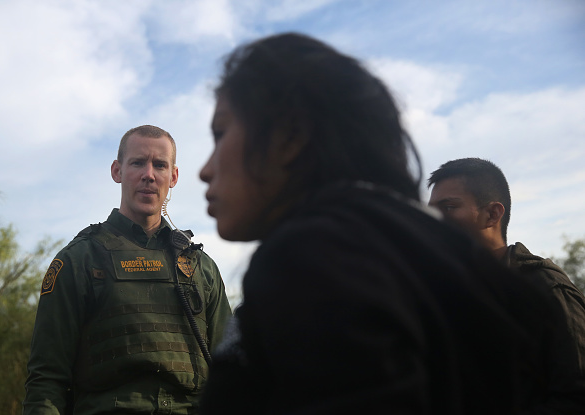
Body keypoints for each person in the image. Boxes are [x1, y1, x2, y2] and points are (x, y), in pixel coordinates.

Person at [197, 32, 559, 414]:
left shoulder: (314, 255)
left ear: (290, 136)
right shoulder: (435, 254)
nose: (205, 169)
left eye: (220, 133)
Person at [23, 125, 232, 414]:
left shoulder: (200, 267)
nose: (149, 174)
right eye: (138, 163)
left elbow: (232, 375)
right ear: (117, 171)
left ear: (173, 176)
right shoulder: (81, 259)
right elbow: (46, 381)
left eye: (160, 165)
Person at [428, 157, 585, 413]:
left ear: (492, 214)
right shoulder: (445, 293)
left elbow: (577, 397)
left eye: (447, 208)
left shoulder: (545, 288)